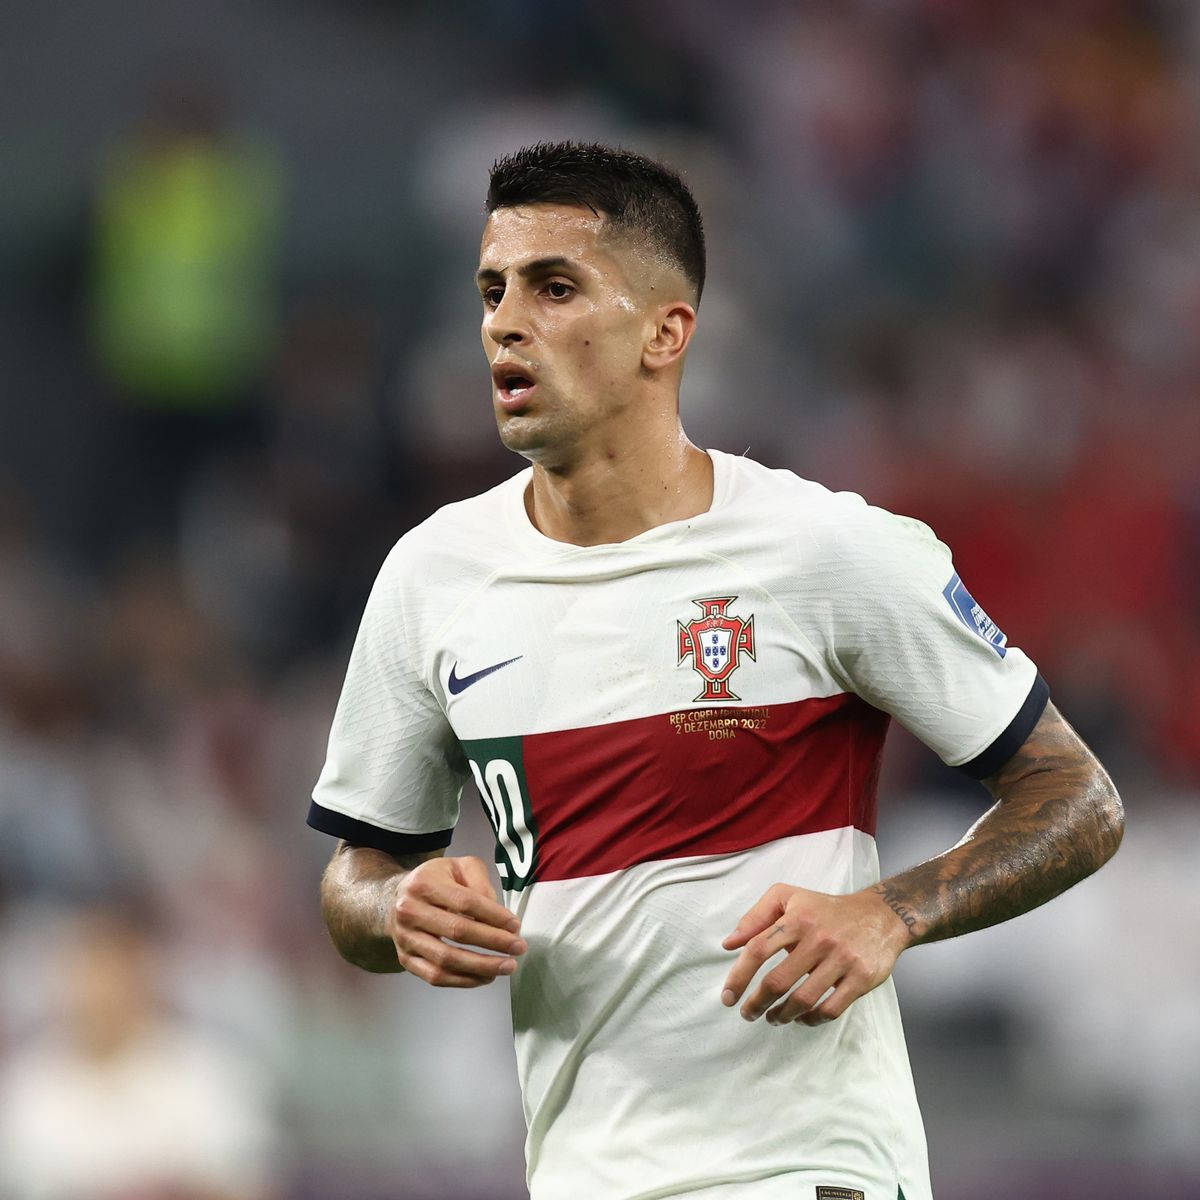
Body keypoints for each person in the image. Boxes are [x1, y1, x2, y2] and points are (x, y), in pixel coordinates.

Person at [307, 142, 1123, 1200]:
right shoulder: (432, 578)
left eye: (555, 288)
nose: (504, 322)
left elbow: (1077, 799)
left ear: (666, 331)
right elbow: (358, 876)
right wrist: (398, 907)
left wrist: (891, 911)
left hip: (807, 1170)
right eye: (492, 290)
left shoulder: (824, 550)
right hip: (584, 1178)